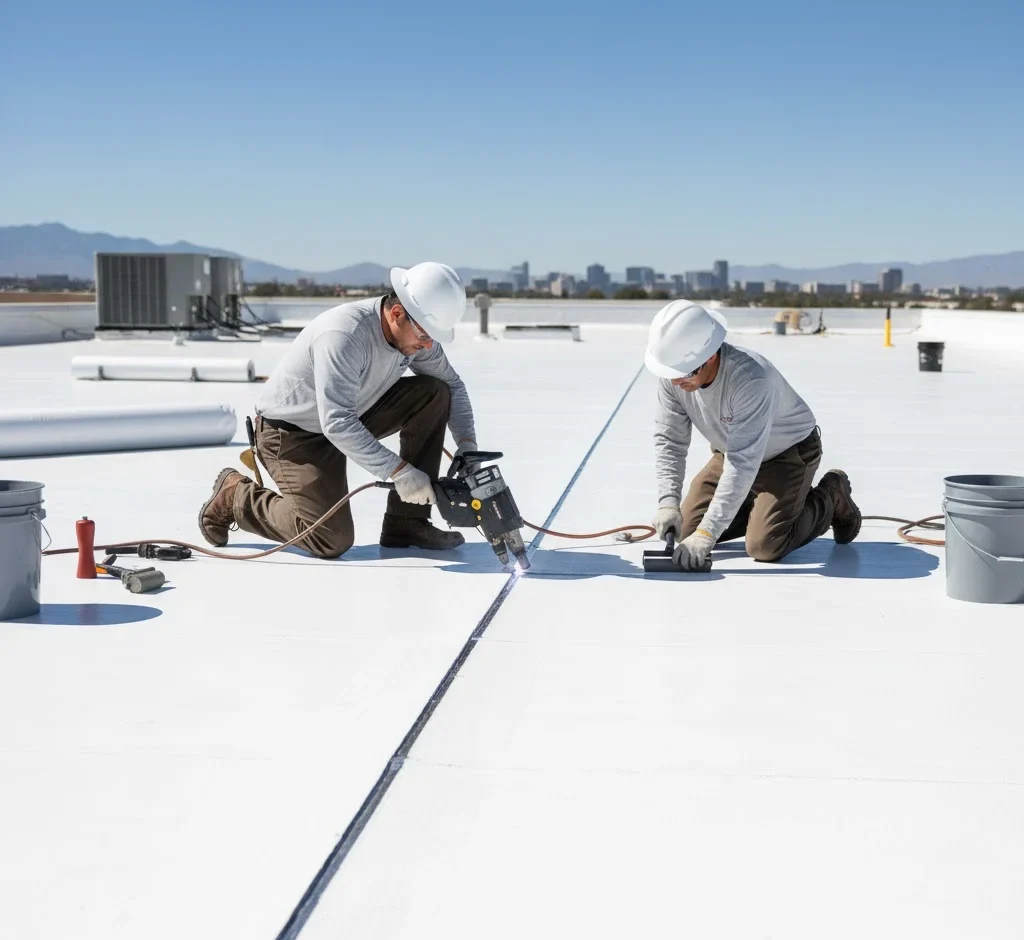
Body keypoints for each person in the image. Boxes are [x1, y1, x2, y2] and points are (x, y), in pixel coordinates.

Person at [198, 261, 481, 558]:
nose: (428, 346)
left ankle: (408, 522)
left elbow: (453, 384)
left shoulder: (416, 335)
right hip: (292, 436)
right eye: (425, 336)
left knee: (434, 392)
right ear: (397, 314)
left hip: (350, 415)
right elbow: (337, 423)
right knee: (330, 539)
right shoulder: (344, 336)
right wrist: (399, 472)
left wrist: (467, 445)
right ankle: (235, 496)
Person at [646, 300, 861, 571]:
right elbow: (670, 441)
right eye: (671, 373)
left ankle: (831, 495)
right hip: (732, 452)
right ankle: (762, 508)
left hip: (787, 454)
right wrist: (668, 503)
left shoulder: (750, 380)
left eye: (685, 372)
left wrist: (708, 533)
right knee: (686, 530)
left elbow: (743, 464)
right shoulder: (675, 377)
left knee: (765, 545)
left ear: (710, 355)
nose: (677, 382)